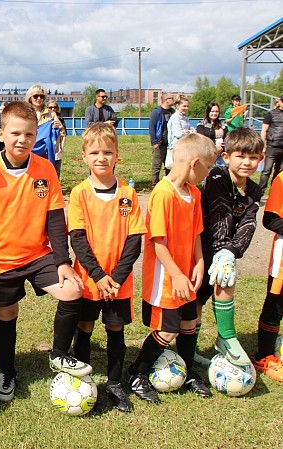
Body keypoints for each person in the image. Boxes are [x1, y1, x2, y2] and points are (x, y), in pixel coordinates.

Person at [0, 101, 90, 403]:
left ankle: (58, 354)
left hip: (38, 255)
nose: (22, 140)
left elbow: (55, 218)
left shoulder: (45, 169)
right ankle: (7, 371)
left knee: (72, 290)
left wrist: (63, 261)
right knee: (7, 313)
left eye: (29, 134)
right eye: (15, 133)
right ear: (1, 134)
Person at [126, 133, 216, 404]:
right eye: (208, 168)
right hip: (166, 278)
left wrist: (199, 262)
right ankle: (136, 372)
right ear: (195, 163)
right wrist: (176, 274)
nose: (208, 174)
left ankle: (186, 371)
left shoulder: (194, 193)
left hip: (186, 274)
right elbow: (157, 242)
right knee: (168, 330)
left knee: (189, 322)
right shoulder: (163, 194)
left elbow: (197, 233)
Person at [69, 123, 146, 413]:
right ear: (84, 157)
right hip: (90, 280)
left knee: (115, 328)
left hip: (118, 282)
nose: (101, 158)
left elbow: (135, 240)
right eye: (94, 153)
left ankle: (114, 383)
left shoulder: (128, 193)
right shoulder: (80, 193)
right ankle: (84, 380)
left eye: (107, 152)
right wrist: (99, 276)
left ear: (117, 155)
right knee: (85, 326)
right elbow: (78, 239)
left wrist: (116, 278)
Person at [193, 128, 263, 368]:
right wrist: (223, 252)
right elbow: (219, 215)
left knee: (225, 278)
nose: (247, 162)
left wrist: (230, 252)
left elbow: (248, 224)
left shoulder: (254, 190)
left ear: (261, 159)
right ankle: (191, 348)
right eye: (240, 156)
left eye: (253, 157)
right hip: (201, 246)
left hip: (224, 250)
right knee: (197, 298)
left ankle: (226, 337)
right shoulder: (216, 176)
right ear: (226, 156)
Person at [253, 166, 283, 382]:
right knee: (275, 306)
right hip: (282, 263)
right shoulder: (282, 180)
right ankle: (264, 356)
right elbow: (270, 218)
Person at [25, 85, 66, 177]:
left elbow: (62, 133)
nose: (39, 98)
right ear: (30, 97)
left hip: (46, 153)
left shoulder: (51, 114)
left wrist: (59, 127)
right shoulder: (24, 113)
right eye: (36, 96)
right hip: (28, 150)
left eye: (42, 96)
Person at [149, 95, 175, 187]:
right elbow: (152, 127)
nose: (173, 100)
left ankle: (169, 184)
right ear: (166, 100)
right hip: (159, 144)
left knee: (169, 165)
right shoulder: (156, 112)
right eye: (172, 98)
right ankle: (155, 184)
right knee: (157, 166)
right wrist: (154, 142)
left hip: (170, 144)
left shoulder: (173, 112)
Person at [258, 95, 283, 191]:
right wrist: (263, 146)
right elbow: (264, 130)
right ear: (279, 102)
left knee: (280, 171)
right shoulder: (270, 114)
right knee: (266, 170)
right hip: (272, 146)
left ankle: (275, 191)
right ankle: (260, 192)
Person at [165, 95, 192, 170]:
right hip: (176, 148)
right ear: (177, 106)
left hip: (185, 147)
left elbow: (193, 130)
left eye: (187, 106)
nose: (186, 108)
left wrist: (187, 131)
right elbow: (179, 134)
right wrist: (188, 132)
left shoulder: (186, 118)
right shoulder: (175, 118)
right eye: (184, 106)